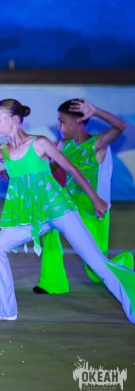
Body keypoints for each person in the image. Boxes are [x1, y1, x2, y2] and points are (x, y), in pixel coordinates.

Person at [0, 99, 135, 323]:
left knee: (97, 263)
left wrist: (95, 199)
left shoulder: (40, 143)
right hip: (34, 216)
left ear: (13, 120)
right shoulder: (3, 149)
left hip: (59, 211)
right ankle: (2, 309)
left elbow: (71, 169)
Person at [35, 99, 133, 294]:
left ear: (78, 122)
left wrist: (95, 111)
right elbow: (51, 167)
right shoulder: (64, 145)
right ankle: (53, 282)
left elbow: (121, 126)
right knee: (49, 227)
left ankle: (124, 262)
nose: (58, 127)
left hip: (93, 211)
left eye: (62, 122)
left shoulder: (98, 143)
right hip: (69, 207)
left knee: (96, 271)